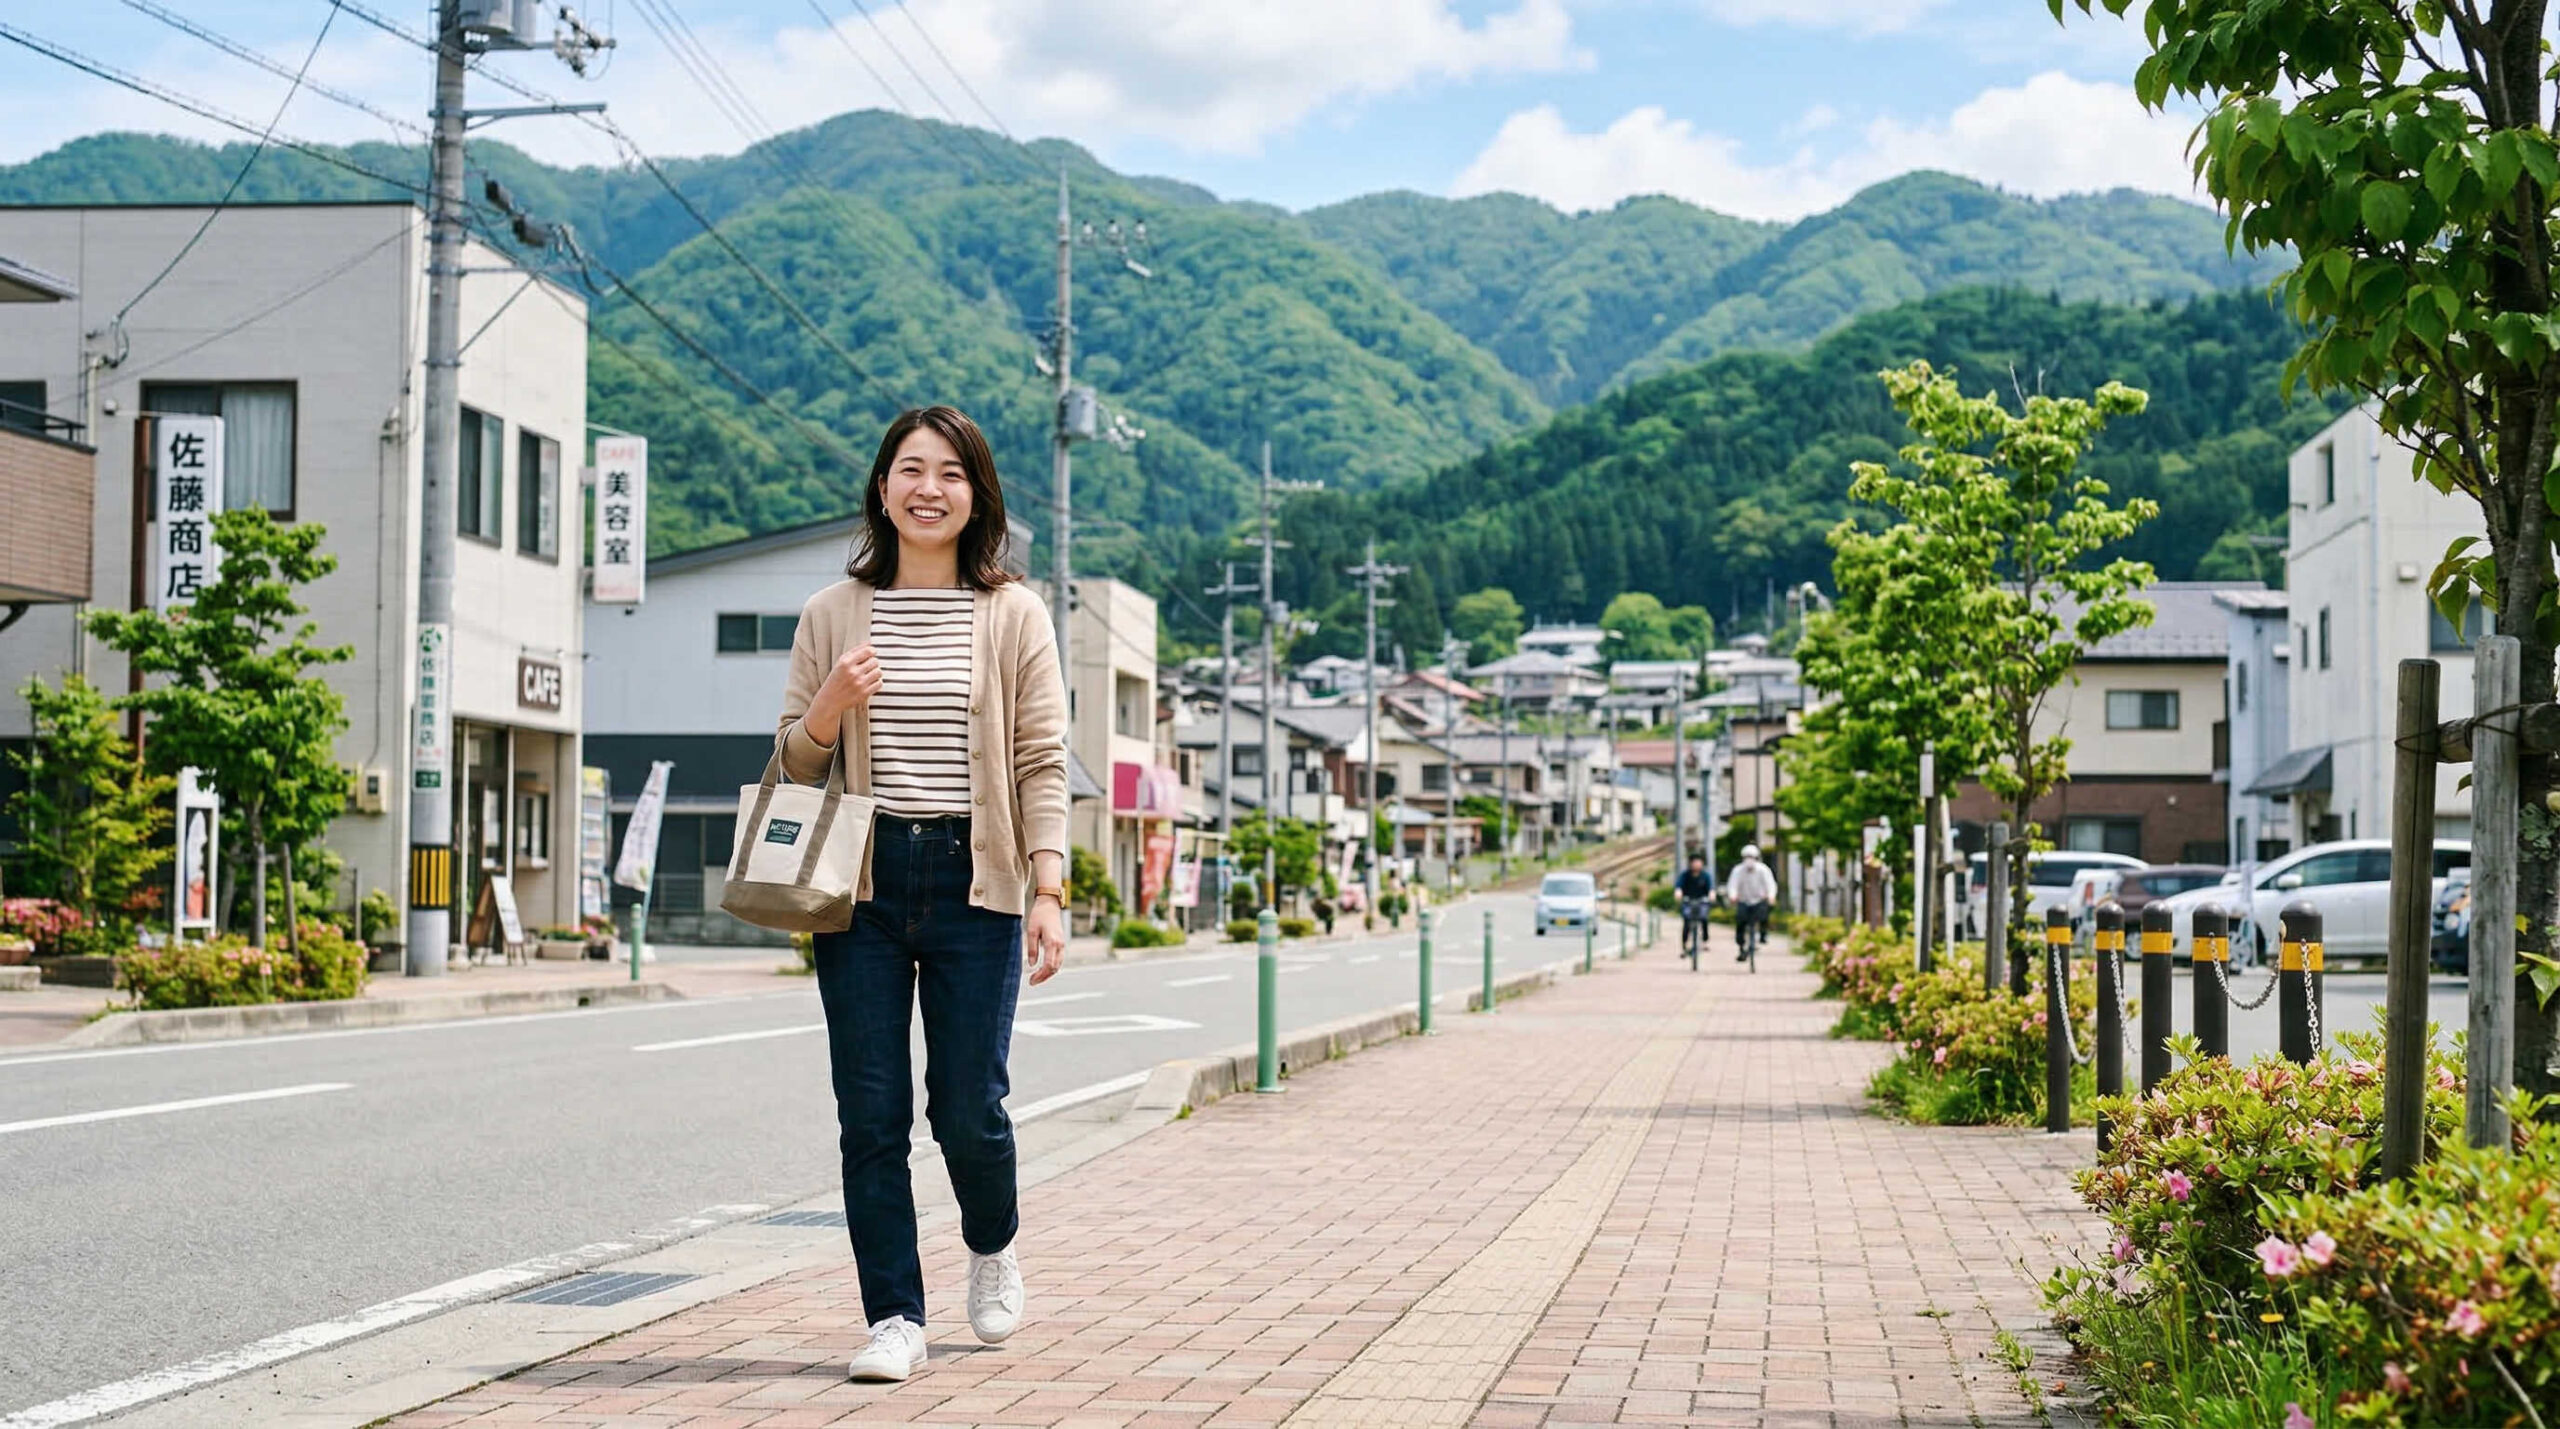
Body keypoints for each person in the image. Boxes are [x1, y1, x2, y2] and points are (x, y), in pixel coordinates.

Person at [774, 405, 1069, 1383]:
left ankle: (991, 1242)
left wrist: (1049, 888)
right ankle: (894, 1315)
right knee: (870, 1113)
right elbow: (792, 761)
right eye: (910, 468)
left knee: (969, 1107)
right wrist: (828, 708)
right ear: (883, 486)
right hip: (859, 882)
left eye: (949, 471)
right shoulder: (830, 613)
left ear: (976, 494)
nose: (928, 487)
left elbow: (1039, 761)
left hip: (973, 881)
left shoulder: (1014, 614)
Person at [1727, 843, 1778, 961]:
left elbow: (1770, 885)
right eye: (1746, 857)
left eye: (1752, 857)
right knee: (1740, 922)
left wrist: (1771, 896)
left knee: (1763, 915)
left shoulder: (1763, 870)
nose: (1749, 860)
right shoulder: (1738, 870)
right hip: (1744, 900)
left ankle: (1763, 934)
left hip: (1759, 900)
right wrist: (1733, 896)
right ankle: (1741, 946)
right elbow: (1732, 885)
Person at [1673, 853, 1715, 955]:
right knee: (1687, 921)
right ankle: (1685, 944)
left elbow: (1711, 888)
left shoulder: (1705, 875)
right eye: (1694, 862)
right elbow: (1679, 886)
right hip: (1688, 901)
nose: (1696, 864)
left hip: (1702, 901)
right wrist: (1678, 892)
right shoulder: (1685, 875)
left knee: (1704, 919)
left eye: (1698, 862)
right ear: (1690, 863)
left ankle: (1705, 941)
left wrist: (1712, 895)